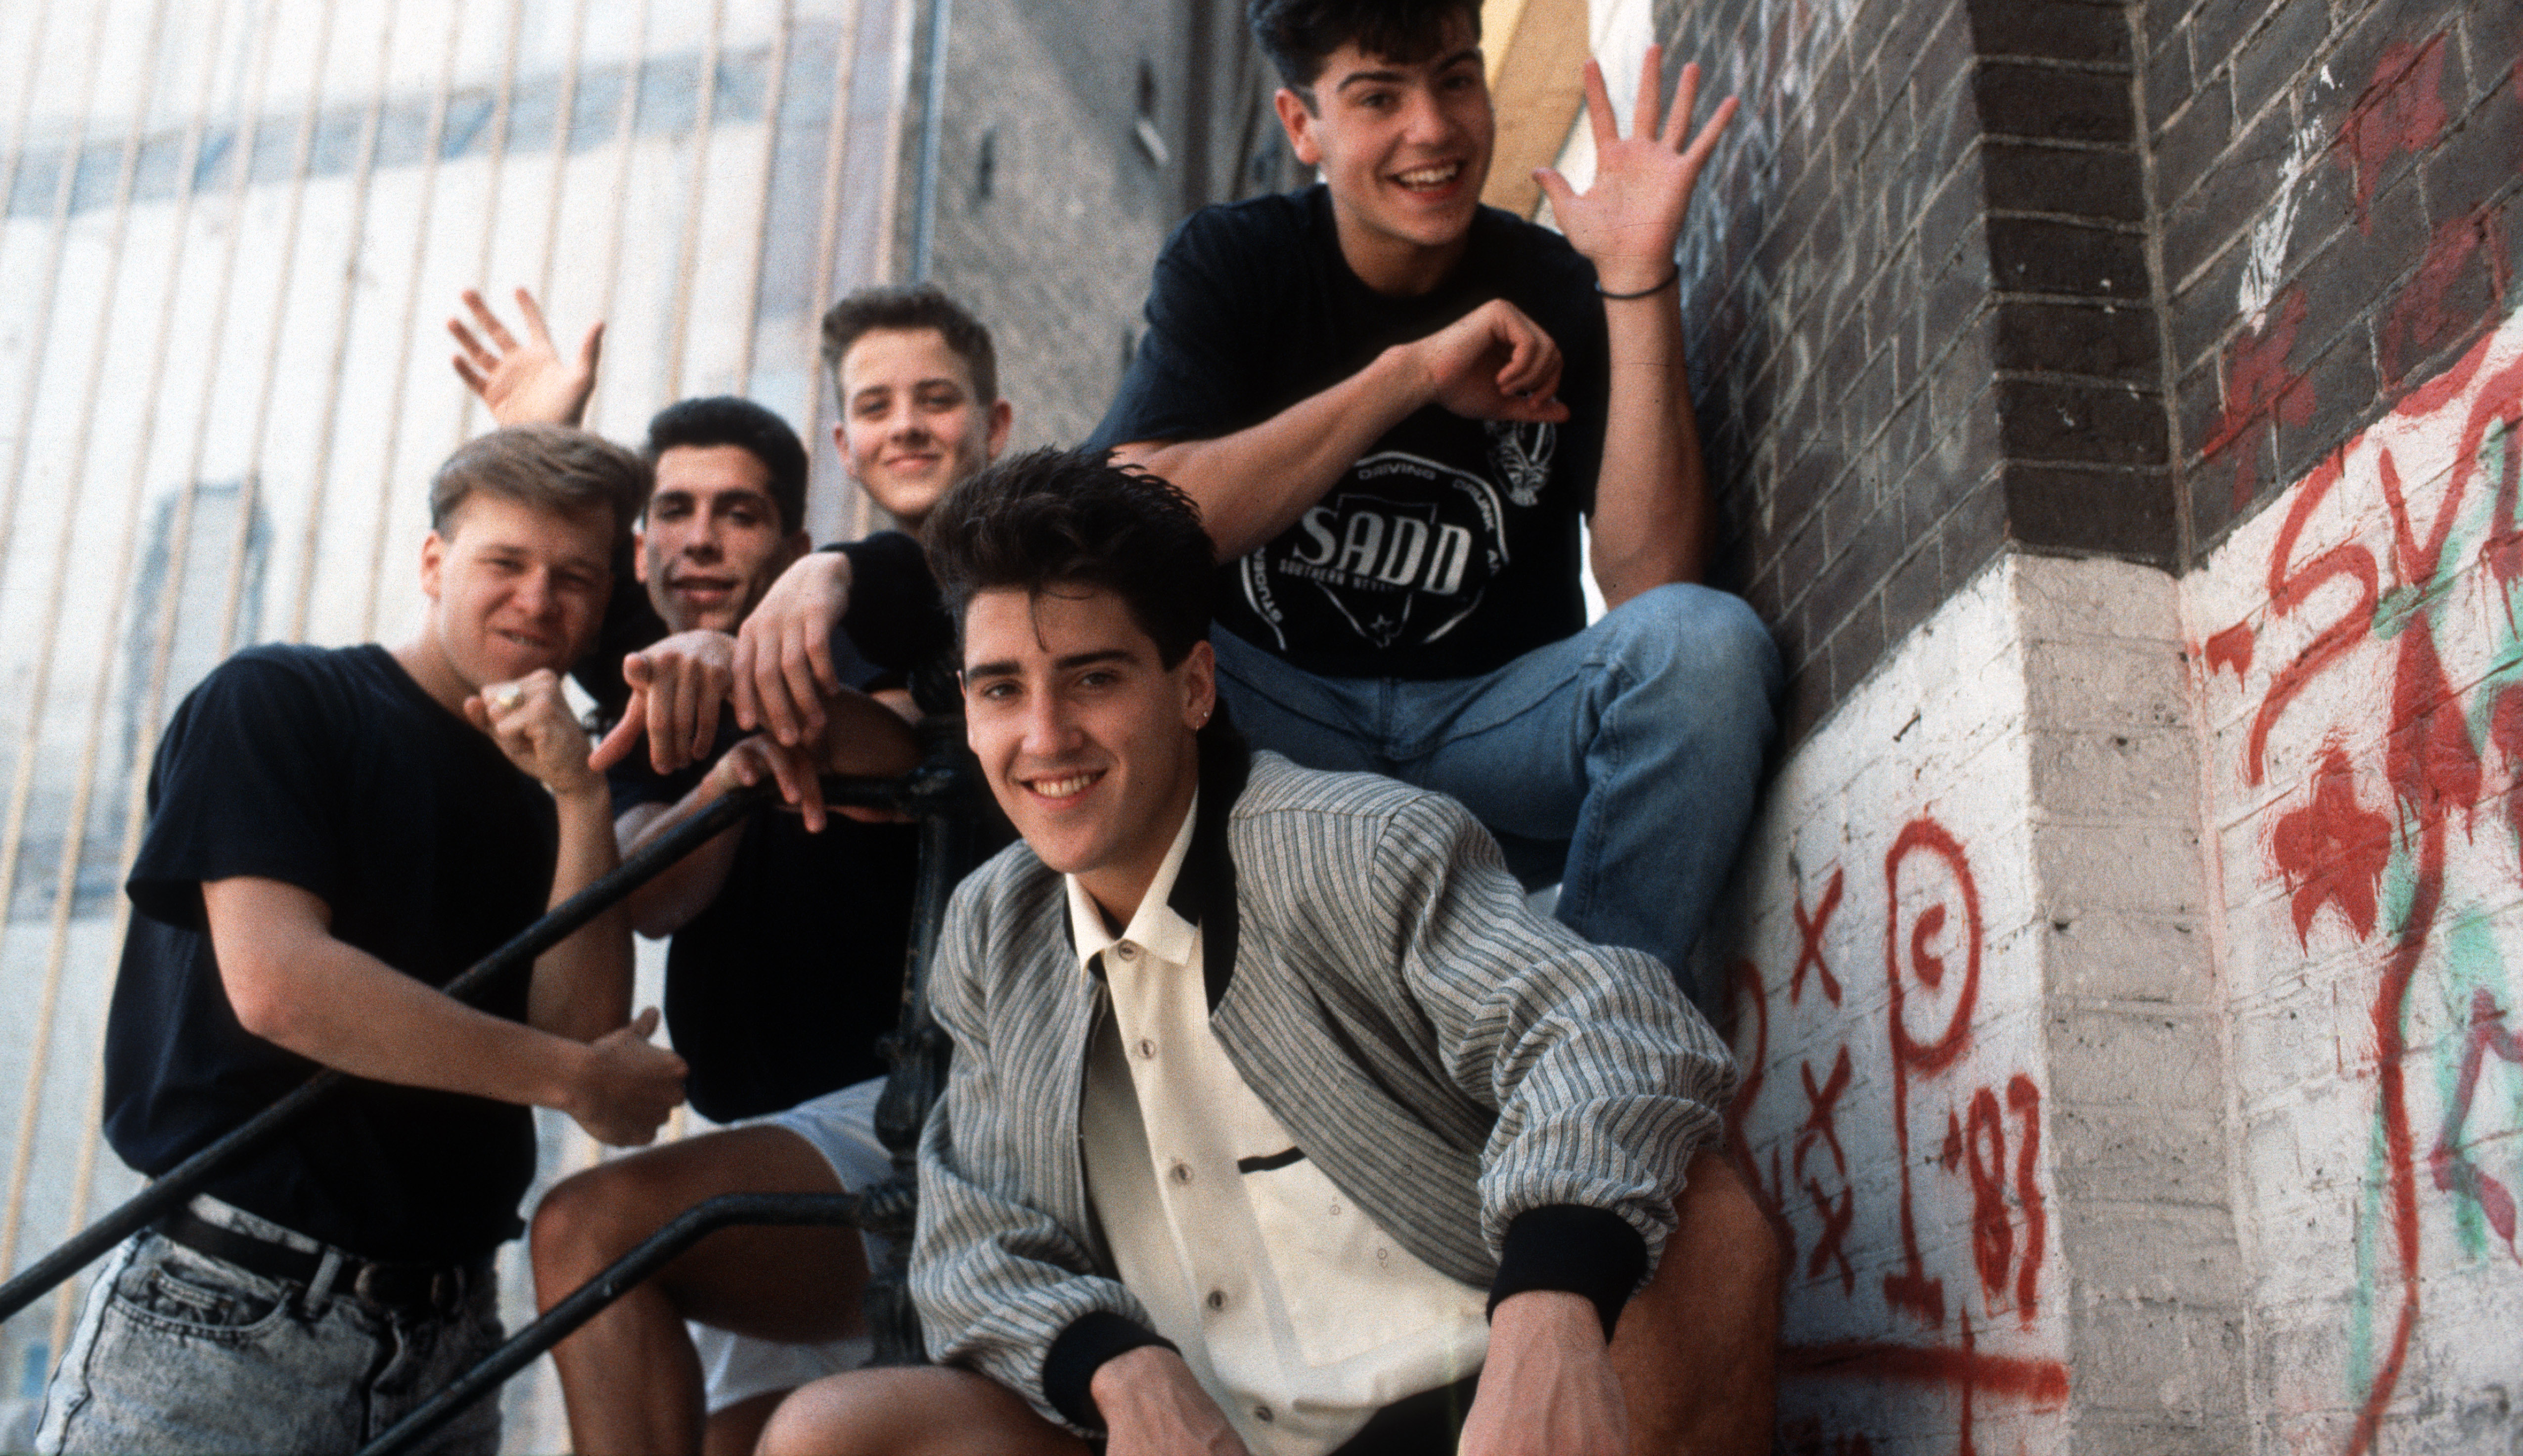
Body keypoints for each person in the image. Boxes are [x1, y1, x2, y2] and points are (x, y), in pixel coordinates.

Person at [757, 448, 1778, 1456]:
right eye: (1000, 691)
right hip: (1201, 1436)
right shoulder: (994, 930)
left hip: (1475, 1410)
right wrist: (1121, 1369)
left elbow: (1608, 1026)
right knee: (832, 1435)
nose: (1046, 735)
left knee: (1705, 1229)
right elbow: (969, 1238)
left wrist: (1548, 1313)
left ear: (1194, 688)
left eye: (1093, 678)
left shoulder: (1353, 847)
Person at [1086, 0, 1779, 1000]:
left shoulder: (1554, 282)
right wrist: (1408, 375)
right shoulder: (1235, 262)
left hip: (1489, 732)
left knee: (1707, 645)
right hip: (1276, 731)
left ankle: (1595, 1023)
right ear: (1302, 124)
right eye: (1379, 96)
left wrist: (1634, 281)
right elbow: (1137, 518)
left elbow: (1655, 589)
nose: (1433, 130)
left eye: (1456, 80)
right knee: (1093, 637)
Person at [38, 426, 685, 1456]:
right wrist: (572, 1078)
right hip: (231, 1315)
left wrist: (578, 795)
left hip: (450, 1335)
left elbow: (579, 1033)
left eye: (573, 577)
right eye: (505, 563)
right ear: (434, 564)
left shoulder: (551, 790)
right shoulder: (282, 700)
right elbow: (281, 985)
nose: (537, 600)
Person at [447, 286, 1006, 1456]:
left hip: (916, 1122)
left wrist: (768, 683)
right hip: (756, 1140)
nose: (702, 538)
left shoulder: (882, 631)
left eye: (739, 515)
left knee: (588, 1229)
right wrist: (546, 433)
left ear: (798, 554)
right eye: (675, 513)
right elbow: (653, 890)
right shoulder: (645, 697)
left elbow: (894, 704)